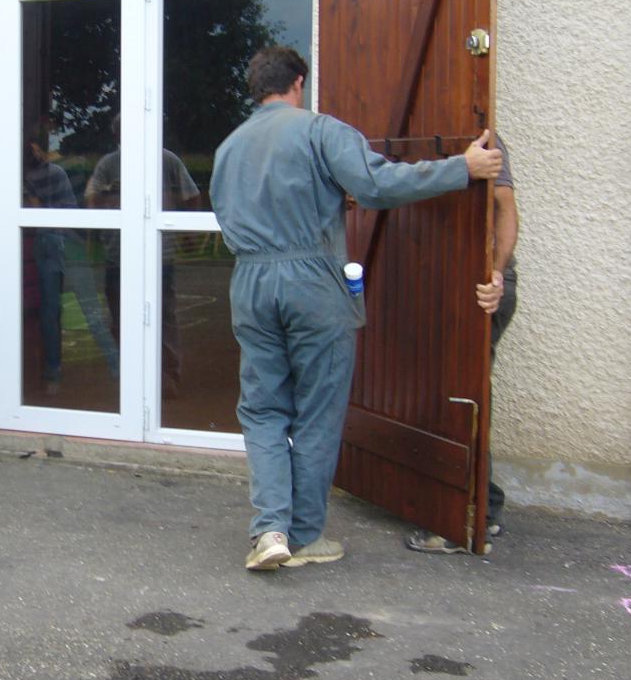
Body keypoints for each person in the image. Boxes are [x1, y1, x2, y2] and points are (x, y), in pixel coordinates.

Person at [209, 46, 502, 572]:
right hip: (311, 281)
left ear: (259, 90)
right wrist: (463, 167)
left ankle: (269, 529)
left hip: (249, 280)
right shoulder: (321, 130)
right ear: (299, 82)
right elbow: (377, 185)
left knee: (263, 409)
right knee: (318, 410)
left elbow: (230, 213)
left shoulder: (229, 146)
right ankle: (303, 536)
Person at [407, 132, 518, 553]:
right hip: (439, 286)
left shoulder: (485, 138)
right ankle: (484, 504)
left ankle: (464, 521)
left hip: (481, 289)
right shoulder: (420, 136)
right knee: (450, 393)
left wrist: (497, 273)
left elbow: (505, 209)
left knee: (463, 396)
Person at [85, 114, 200, 395]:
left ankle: (166, 377)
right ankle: (133, 377)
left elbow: (191, 196)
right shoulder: (109, 164)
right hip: (118, 255)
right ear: (118, 135)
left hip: (159, 254)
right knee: (123, 317)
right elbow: (91, 200)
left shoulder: (166, 160)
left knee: (163, 315)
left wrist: (189, 235)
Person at [24, 137, 119, 391]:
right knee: (90, 308)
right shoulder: (58, 172)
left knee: (50, 311)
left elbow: (36, 212)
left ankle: (53, 372)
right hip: (70, 242)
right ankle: (117, 366)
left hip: (48, 240)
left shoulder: (29, 178)